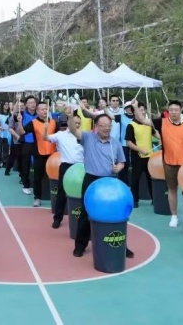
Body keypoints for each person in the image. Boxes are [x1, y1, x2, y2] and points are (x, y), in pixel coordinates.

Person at [64, 110, 134, 259]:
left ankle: (121, 245)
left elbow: (122, 162)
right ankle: (80, 246)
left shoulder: (115, 143)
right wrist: (70, 116)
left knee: (114, 212)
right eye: (103, 125)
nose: (106, 128)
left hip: (110, 182)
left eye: (109, 125)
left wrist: (118, 168)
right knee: (85, 212)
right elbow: (73, 130)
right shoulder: (88, 138)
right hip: (92, 181)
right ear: (96, 126)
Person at [152, 100, 183, 228]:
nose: (173, 112)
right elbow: (144, 121)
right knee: (172, 189)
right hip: (169, 162)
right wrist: (135, 107)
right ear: (168, 111)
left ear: (180, 110)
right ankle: (174, 216)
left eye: (176, 109)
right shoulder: (162, 122)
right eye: (171, 110)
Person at [41, 114, 84, 229]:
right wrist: (45, 129)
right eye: (75, 122)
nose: (77, 125)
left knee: (82, 193)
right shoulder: (61, 135)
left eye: (79, 123)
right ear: (69, 122)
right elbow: (45, 138)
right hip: (66, 166)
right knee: (61, 193)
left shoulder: (83, 135)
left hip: (80, 168)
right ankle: (57, 218)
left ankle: (82, 219)